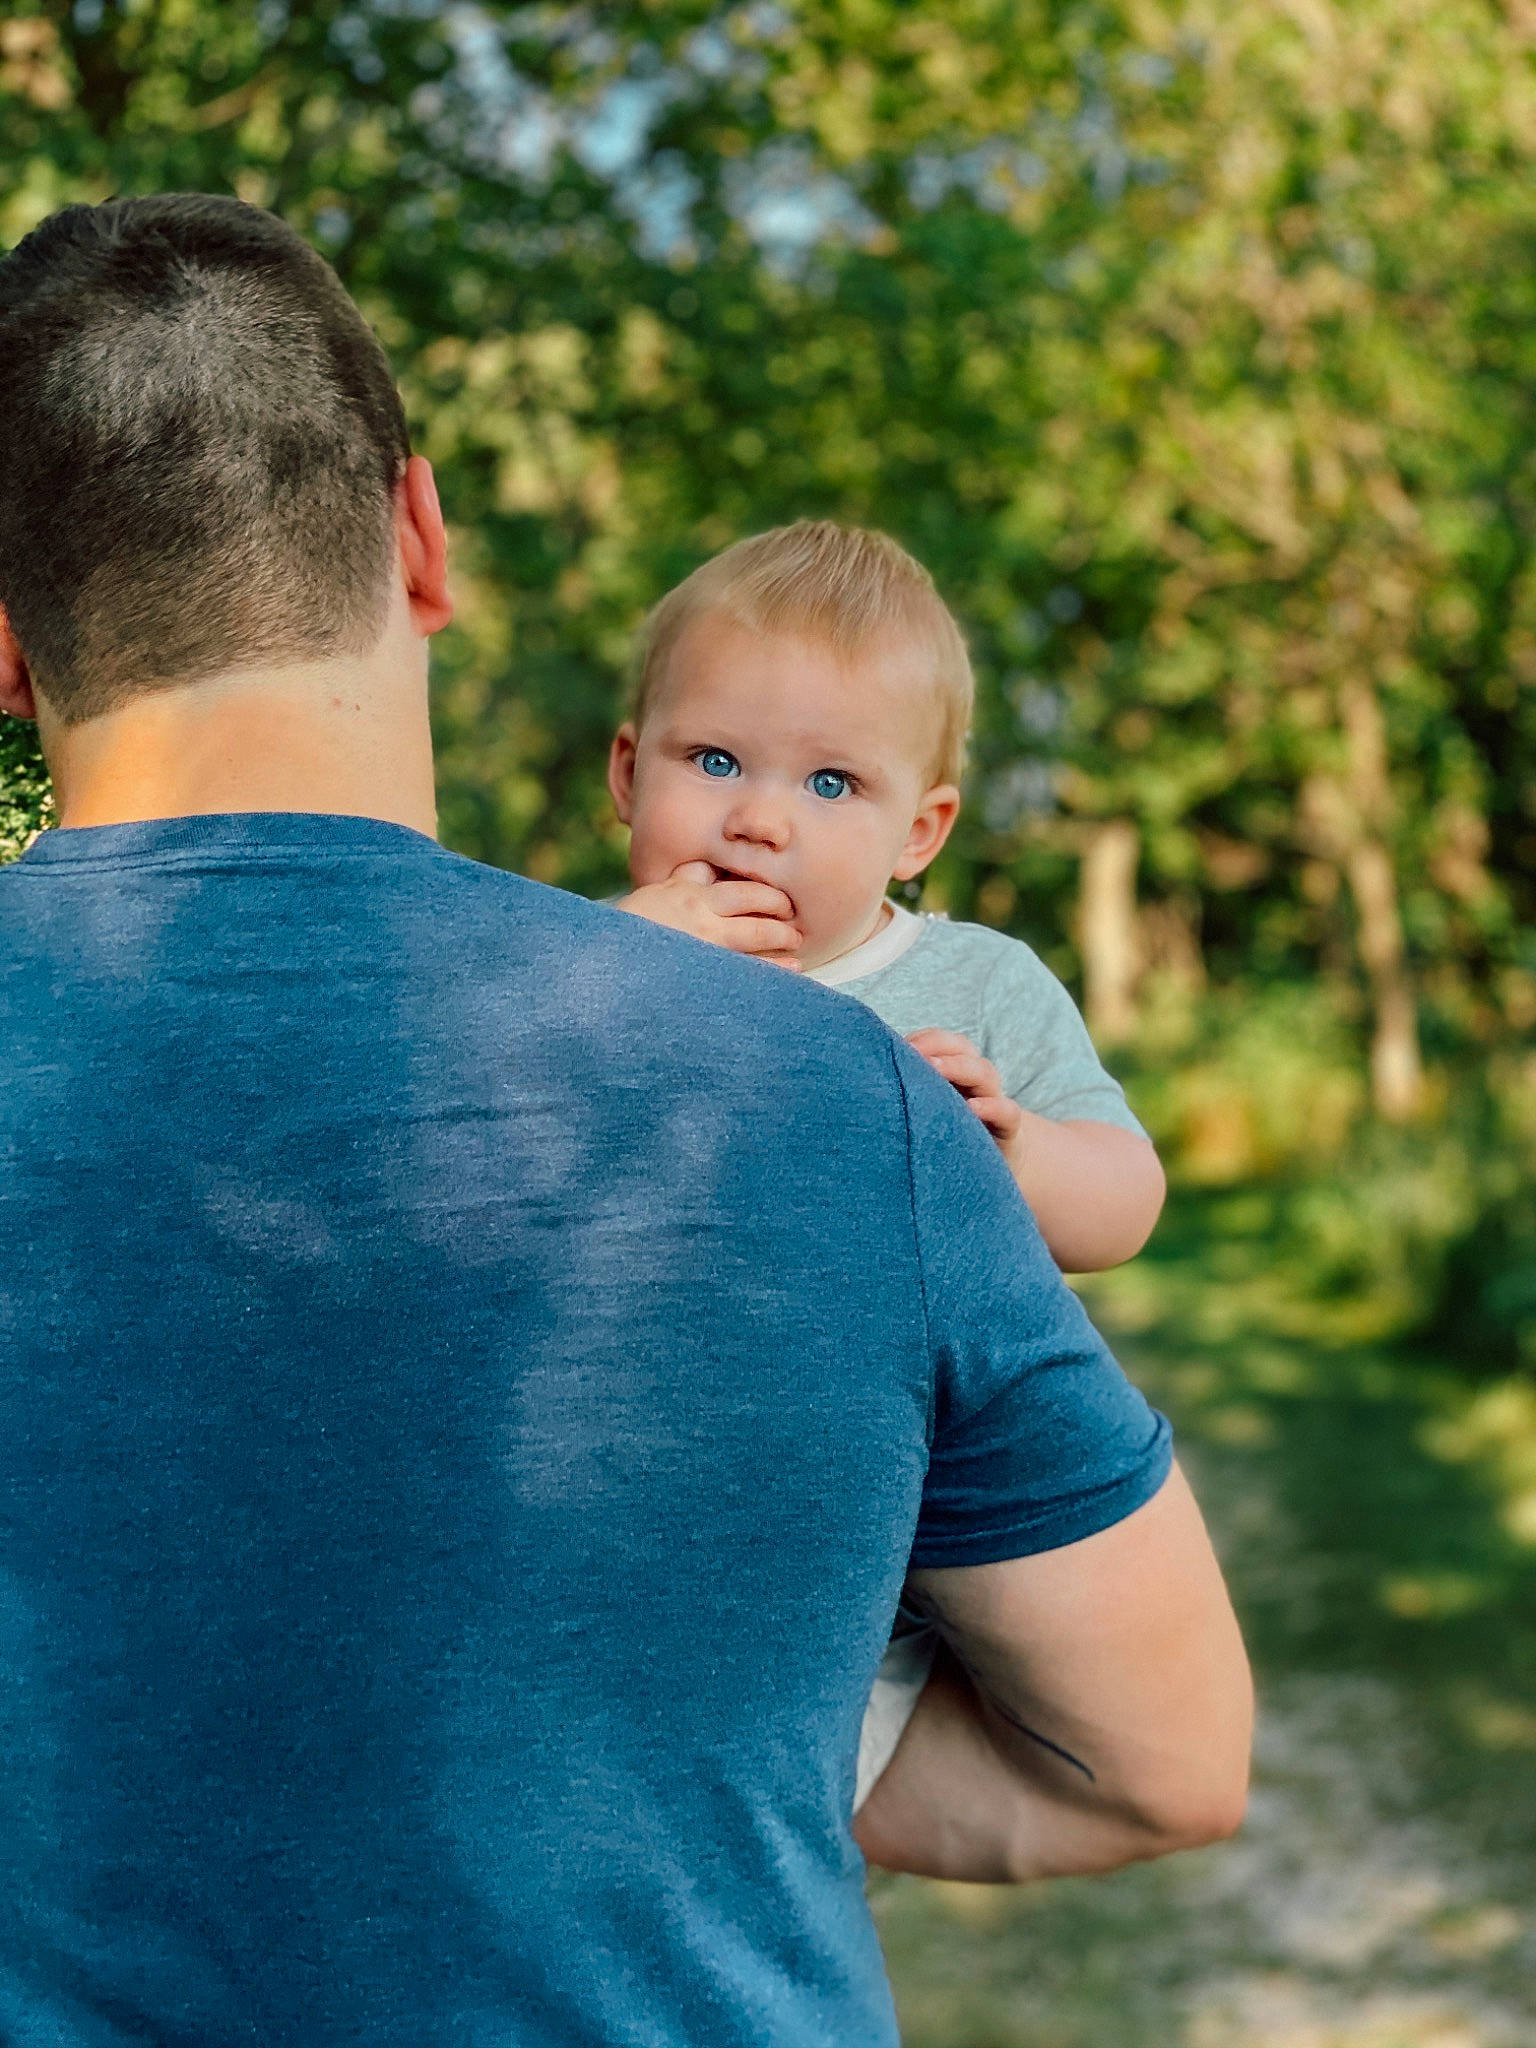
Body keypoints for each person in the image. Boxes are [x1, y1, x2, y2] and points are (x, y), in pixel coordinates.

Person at [0, 194, 1251, 2047]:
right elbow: (1162, 1763)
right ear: (422, 538)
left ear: (6, 655)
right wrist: (709, 1789)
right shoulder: (851, 1100)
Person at [609, 521, 1168, 1801]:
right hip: (653, 1480)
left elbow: (1126, 1199)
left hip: (891, 1511)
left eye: (830, 786)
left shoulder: (972, 982)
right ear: (629, 771)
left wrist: (1016, 1155)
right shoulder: (590, 958)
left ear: (919, 831)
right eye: (713, 759)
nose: (757, 821)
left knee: (782, 1781)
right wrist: (620, 964)